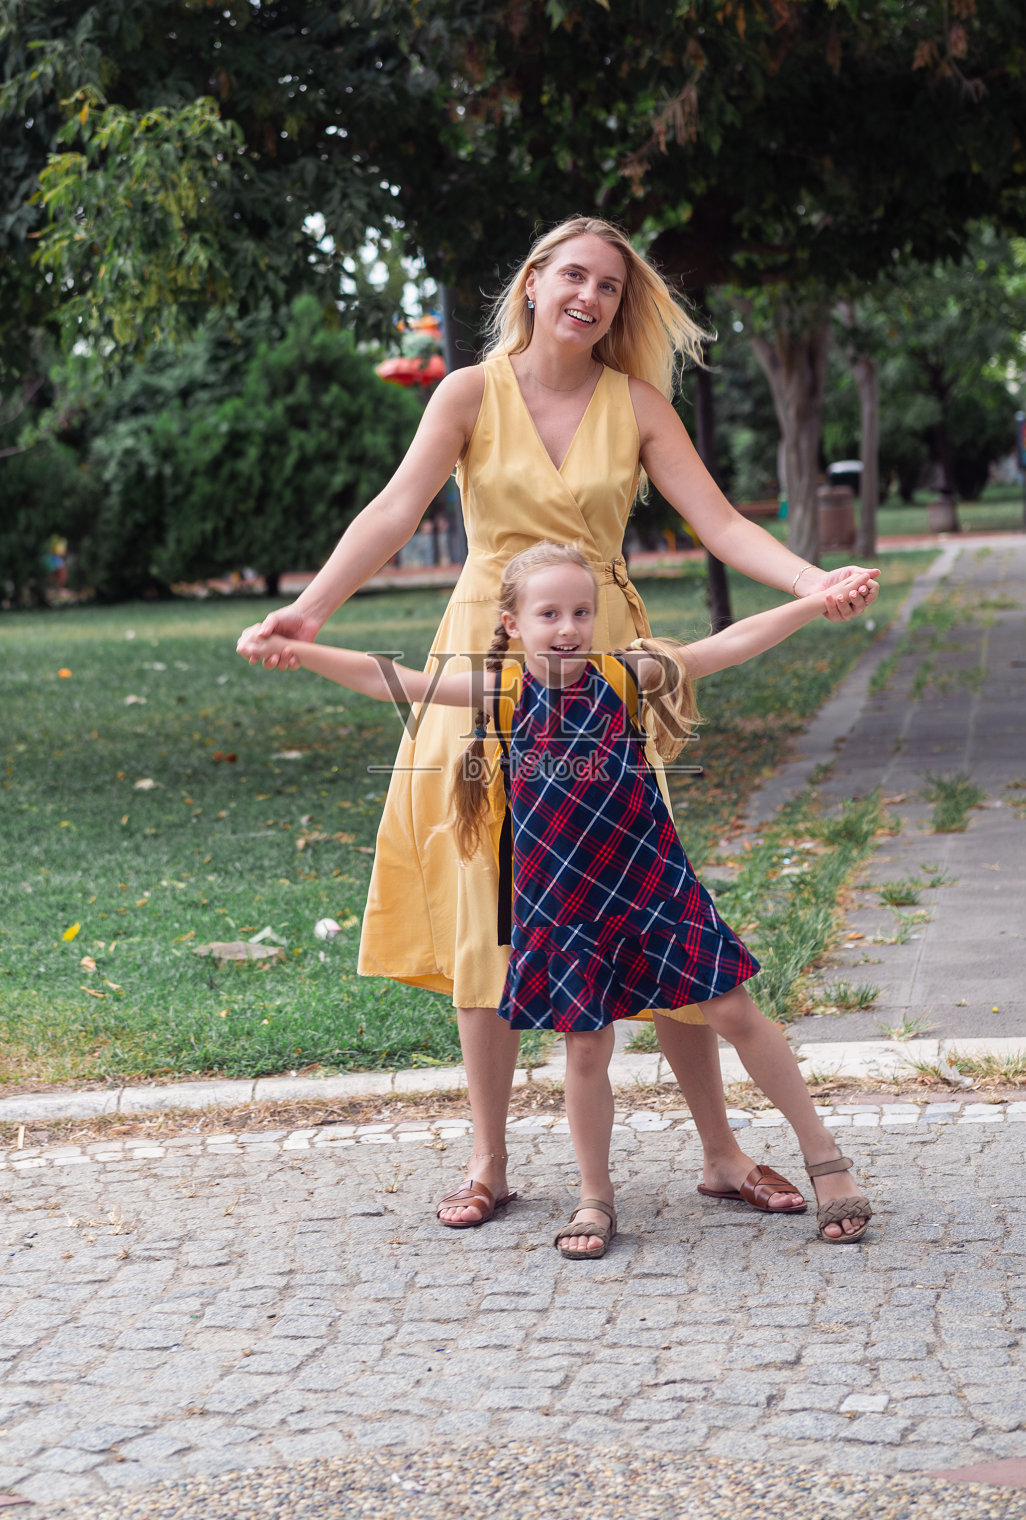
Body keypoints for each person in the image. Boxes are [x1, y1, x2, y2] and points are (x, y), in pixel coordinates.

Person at [237, 214, 879, 1235]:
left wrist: (812, 583)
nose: (589, 296)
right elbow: (395, 510)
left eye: (609, 286)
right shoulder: (466, 393)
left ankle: (720, 1152)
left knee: (645, 894)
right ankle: (488, 1161)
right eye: (573, 275)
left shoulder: (637, 403)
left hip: (605, 659)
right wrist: (309, 613)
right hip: (486, 662)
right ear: (533, 281)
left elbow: (718, 521)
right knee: (485, 906)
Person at [237, 542, 874, 1254]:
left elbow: (728, 644)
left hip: (651, 886)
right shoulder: (502, 692)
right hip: (563, 903)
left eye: (580, 612)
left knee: (732, 1010)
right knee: (585, 1046)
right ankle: (595, 1198)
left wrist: (815, 602)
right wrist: (300, 650)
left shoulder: (625, 674)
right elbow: (395, 679)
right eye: (548, 615)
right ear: (512, 623)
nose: (568, 628)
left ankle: (826, 1160)